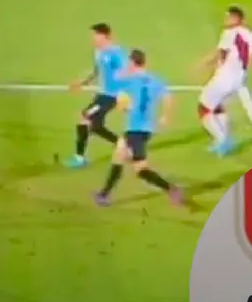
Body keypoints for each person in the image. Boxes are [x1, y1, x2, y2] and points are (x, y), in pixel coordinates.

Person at [94, 49, 183, 206]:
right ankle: (103, 194)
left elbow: (123, 104)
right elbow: (169, 98)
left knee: (140, 169)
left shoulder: (129, 81)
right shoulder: (156, 80)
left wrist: (124, 106)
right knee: (119, 156)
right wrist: (165, 116)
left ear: (132, 63)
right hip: (146, 128)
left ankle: (171, 189)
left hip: (135, 129)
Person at [196, 6, 252, 156]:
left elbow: (219, 53)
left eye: (228, 17)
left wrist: (202, 64)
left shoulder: (230, 33)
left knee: (203, 108)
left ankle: (223, 140)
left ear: (236, 19)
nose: (225, 20)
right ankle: (224, 139)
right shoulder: (250, 33)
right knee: (218, 105)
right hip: (238, 79)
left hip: (225, 77)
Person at [64, 23, 128, 168]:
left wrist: (124, 97)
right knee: (96, 126)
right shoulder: (98, 52)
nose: (93, 38)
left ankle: (79, 158)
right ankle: (122, 144)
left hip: (112, 96)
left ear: (105, 36)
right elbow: (96, 71)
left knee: (85, 118)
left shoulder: (116, 53)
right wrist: (81, 82)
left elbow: (126, 74)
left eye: (96, 35)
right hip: (102, 95)